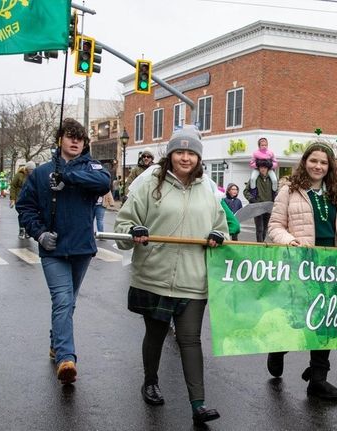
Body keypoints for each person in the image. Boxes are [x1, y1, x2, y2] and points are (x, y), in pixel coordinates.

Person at [114, 125, 227, 426]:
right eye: (180, 151)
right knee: (156, 334)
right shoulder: (150, 183)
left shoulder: (208, 189)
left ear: (199, 157)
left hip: (193, 279)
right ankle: (150, 380)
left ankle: (198, 404)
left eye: (191, 152)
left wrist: (218, 235)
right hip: (154, 275)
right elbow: (122, 226)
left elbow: (222, 228)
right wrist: (132, 232)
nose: (185, 157)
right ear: (170, 154)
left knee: (190, 340)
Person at [16, 118, 111, 385]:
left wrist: (68, 176)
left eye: (79, 137)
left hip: (81, 248)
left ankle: (55, 342)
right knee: (62, 300)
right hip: (53, 250)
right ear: (60, 140)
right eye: (70, 136)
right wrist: (40, 233)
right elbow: (25, 207)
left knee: (69, 302)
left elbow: (103, 183)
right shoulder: (40, 172)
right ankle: (66, 359)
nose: (75, 141)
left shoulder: (92, 167)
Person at [266, 141, 337, 399]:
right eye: (313, 160)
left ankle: (318, 379)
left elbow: (336, 233)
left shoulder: (336, 193)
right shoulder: (289, 191)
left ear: (330, 167)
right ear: (305, 162)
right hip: (301, 265)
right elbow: (275, 226)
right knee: (297, 318)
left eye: (324, 162)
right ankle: (279, 347)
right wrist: (289, 241)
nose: (318, 166)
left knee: (325, 322)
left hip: (330, 267)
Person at [244, 160, 276, 243]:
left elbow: (276, 191)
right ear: (258, 168)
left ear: (268, 168)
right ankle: (260, 245)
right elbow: (246, 191)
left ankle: (261, 244)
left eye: (265, 167)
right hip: (257, 206)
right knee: (260, 228)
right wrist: (252, 200)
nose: (263, 169)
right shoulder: (254, 179)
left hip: (268, 207)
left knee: (265, 228)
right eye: (261, 167)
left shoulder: (272, 180)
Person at [10, 161, 36, 239]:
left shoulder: (34, 176)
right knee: (22, 214)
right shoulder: (19, 175)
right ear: (26, 169)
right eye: (30, 170)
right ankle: (21, 230)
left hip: (30, 199)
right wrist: (12, 199)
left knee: (30, 215)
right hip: (20, 198)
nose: (31, 171)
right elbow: (13, 186)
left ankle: (28, 231)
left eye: (32, 170)